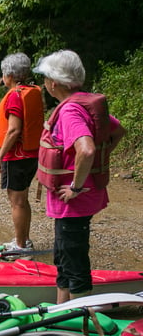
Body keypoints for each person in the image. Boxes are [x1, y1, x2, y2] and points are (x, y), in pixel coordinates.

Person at [32, 49, 126, 303]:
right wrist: (96, 164)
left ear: (53, 83)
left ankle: (81, 318)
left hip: (74, 200)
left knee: (73, 259)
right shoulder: (84, 101)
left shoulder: (71, 112)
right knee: (63, 256)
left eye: (44, 79)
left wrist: (76, 185)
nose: (44, 84)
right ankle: (61, 311)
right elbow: (117, 132)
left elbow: (87, 148)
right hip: (81, 197)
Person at [0, 53, 44, 255]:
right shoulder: (30, 91)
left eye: (3, 74)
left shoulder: (15, 95)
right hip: (30, 155)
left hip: (16, 157)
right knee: (22, 200)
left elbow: (14, 130)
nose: (3, 78)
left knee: (17, 201)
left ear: (10, 75)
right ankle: (24, 240)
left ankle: (21, 246)